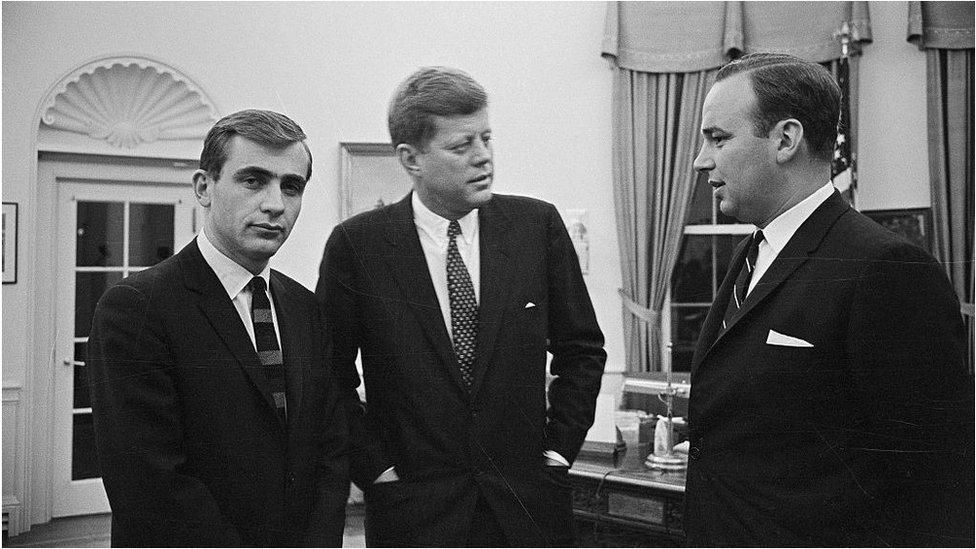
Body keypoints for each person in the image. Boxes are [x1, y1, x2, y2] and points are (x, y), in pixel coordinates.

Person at [684, 52, 974, 546]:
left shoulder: (887, 270)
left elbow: (938, 486)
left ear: (786, 139)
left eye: (719, 138)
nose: (701, 159)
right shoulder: (751, 255)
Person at [316, 66, 606, 547]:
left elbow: (583, 350)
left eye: (487, 138)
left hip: (527, 512)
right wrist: (378, 472)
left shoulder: (537, 227)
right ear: (411, 159)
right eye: (461, 146)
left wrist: (558, 452)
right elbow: (330, 377)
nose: (484, 157)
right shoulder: (358, 246)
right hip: (414, 515)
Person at [88, 109, 349, 547]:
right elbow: (150, 484)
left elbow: (330, 448)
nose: (275, 204)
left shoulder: (304, 307)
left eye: (291, 186)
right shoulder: (136, 309)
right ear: (204, 188)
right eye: (253, 180)